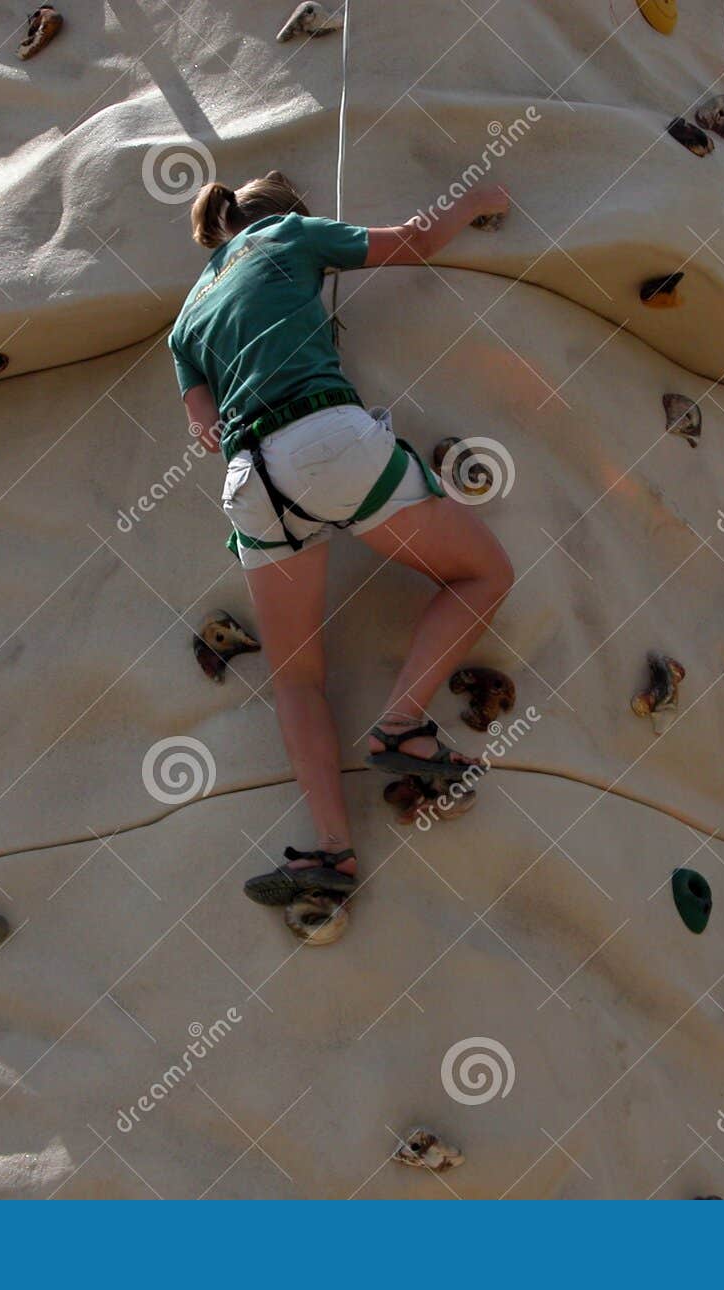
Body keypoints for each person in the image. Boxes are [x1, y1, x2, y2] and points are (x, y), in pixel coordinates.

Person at [168, 170, 514, 906]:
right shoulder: (288, 236)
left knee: (295, 676)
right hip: (324, 437)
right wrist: (476, 199)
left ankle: (331, 852)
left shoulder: (187, 316)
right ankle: (400, 724)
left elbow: (205, 430)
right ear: (292, 214)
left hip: (249, 483)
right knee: (484, 573)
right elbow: (414, 242)